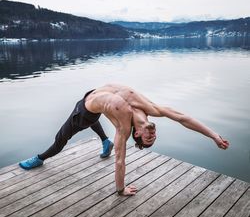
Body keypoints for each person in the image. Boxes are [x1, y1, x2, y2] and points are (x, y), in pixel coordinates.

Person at [19, 84, 229, 196]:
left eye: (149, 139)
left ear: (137, 134)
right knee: (93, 119)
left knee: (61, 140)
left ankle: (40, 158)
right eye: (153, 137)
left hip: (83, 110)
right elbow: (183, 118)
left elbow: (120, 161)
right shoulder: (151, 109)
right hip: (92, 103)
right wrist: (214, 135)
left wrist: (120, 191)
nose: (153, 136)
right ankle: (104, 141)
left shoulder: (123, 128)